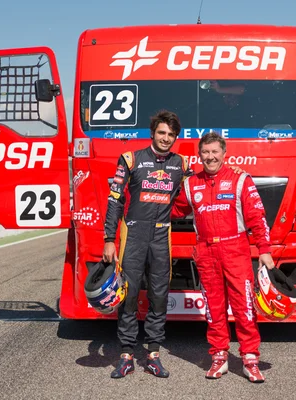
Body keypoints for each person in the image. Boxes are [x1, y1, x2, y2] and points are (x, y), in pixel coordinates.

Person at [171, 131, 275, 383]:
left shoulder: (240, 179)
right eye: (205, 152)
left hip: (235, 249)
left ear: (224, 154)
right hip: (205, 252)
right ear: (199, 155)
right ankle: (219, 358)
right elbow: (172, 209)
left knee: (244, 307)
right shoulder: (190, 183)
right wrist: (143, 198)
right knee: (214, 309)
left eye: (215, 152)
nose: (210, 157)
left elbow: (257, 217)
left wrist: (265, 249)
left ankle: (250, 359)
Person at [103, 109, 191, 379]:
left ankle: (153, 354)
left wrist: (230, 169)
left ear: (175, 137)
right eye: (162, 132)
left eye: (171, 135)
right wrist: (109, 239)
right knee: (128, 295)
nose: (166, 138)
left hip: (162, 235)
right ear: (153, 132)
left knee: (159, 295)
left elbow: (200, 188)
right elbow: (115, 199)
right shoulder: (130, 159)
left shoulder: (182, 163)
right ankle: (127, 354)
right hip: (133, 235)